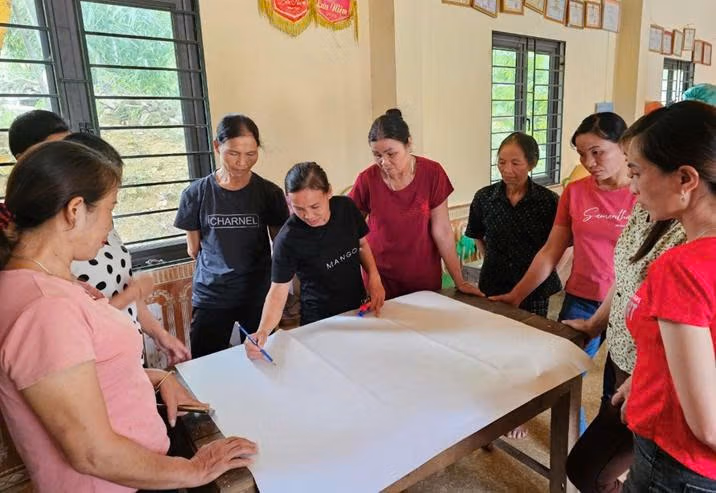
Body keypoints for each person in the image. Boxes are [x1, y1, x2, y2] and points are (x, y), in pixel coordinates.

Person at [0, 141, 257, 492]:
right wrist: (195, 469)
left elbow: (82, 375)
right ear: (75, 210)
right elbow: (92, 453)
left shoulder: (45, 283)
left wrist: (155, 378)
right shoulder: (45, 308)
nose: (110, 226)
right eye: (110, 208)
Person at [490, 113, 637, 433]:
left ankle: (603, 456)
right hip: (582, 298)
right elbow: (550, 252)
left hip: (629, 306)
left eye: (597, 152)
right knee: (561, 377)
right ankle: (576, 447)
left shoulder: (643, 193)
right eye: (582, 154)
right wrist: (517, 295)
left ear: (624, 146)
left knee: (617, 394)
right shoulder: (576, 192)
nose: (589, 162)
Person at [615, 100, 716, 491]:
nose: (632, 188)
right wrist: (645, 378)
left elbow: (708, 424)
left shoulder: (682, 268)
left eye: (637, 173)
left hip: (679, 467)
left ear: (685, 178)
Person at [564, 205, 685, 492]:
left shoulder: (696, 234)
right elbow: (626, 276)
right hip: (622, 353)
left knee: (589, 469)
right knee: (600, 459)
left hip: (652, 373)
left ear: (686, 182)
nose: (631, 187)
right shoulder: (644, 208)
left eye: (637, 179)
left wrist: (646, 376)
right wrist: (595, 324)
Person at [65, 132, 190, 366]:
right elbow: (85, 326)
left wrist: (159, 334)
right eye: (110, 204)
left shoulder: (105, 229)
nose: (110, 216)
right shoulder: (59, 257)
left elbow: (125, 287)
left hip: (127, 356)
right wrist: (133, 293)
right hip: (101, 364)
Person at [175, 114, 290, 358]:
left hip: (258, 296)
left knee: (261, 357)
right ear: (217, 146)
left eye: (251, 154)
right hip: (212, 297)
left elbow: (281, 248)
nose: (242, 163)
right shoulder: (195, 193)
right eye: (234, 153)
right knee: (206, 363)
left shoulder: (269, 193)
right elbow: (193, 250)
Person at [246, 162, 385, 360]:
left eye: (315, 206)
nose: (308, 216)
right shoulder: (288, 239)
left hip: (358, 311)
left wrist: (374, 277)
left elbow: (361, 245)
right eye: (298, 208)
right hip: (319, 322)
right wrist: (263, 331)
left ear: (329, 192)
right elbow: (278, 291)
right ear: (288, 201)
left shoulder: (346, 208)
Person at [348, 108, 482, 300]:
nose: (384, 162)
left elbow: (442, 230)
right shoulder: (367, 180)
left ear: (409, 144)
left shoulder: (432, 173)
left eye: (391, 154)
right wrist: (370, 276)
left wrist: (459, 280)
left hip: (422, 276)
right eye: (377, 155)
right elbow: (352, 231)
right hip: (380, 279)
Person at [466, 132, 561, 318]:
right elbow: (477, 234)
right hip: (493, 284)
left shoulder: (549, 201)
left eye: (515, 163)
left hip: (534, 289)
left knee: (530, 332)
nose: (507, 169)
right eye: (502, 162)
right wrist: (490, 258)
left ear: (532, 163)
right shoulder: (484, 197)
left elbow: (561, 245)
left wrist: (549, 271)